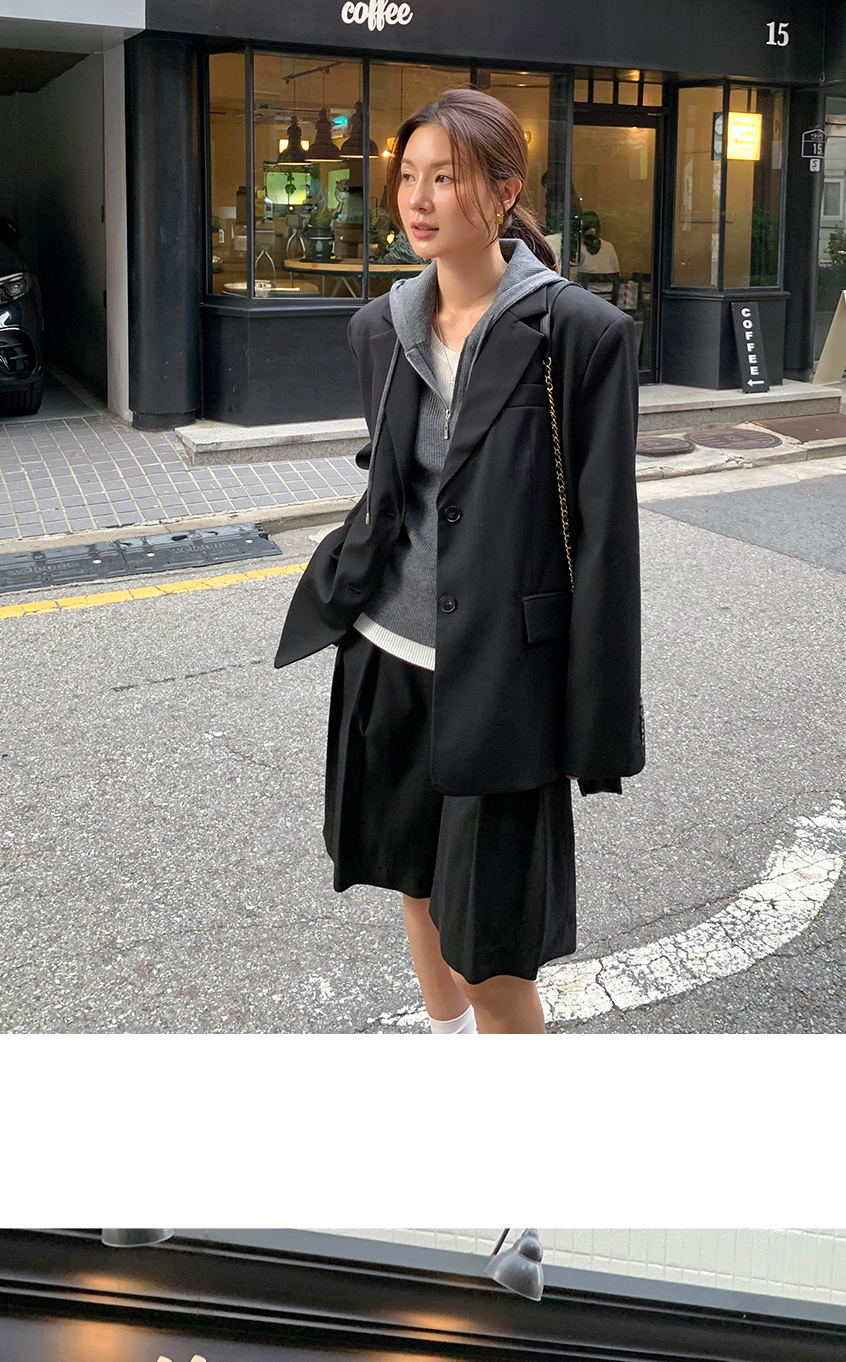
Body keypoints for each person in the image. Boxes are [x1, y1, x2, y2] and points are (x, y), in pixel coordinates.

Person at [275, 86, 643, 1040]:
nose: (419, 198)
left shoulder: (579, 335)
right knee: (415, 885)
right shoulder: (380, 327)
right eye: (409, 176)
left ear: (505, 191)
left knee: (497, 954)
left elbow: (605, 540)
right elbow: (393, 479)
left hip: (504, 683)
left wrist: (598, 721)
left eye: (446, 177)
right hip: (386, 658)